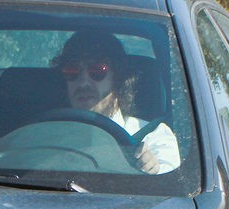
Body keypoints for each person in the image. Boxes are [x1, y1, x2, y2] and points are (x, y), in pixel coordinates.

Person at [55, 30, 180, 174]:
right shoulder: (43, 137)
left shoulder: (154, 136)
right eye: (72, 71)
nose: (83, 82)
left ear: (118, 77)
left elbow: (169, 183)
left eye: (96, 70)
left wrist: (152, 168)